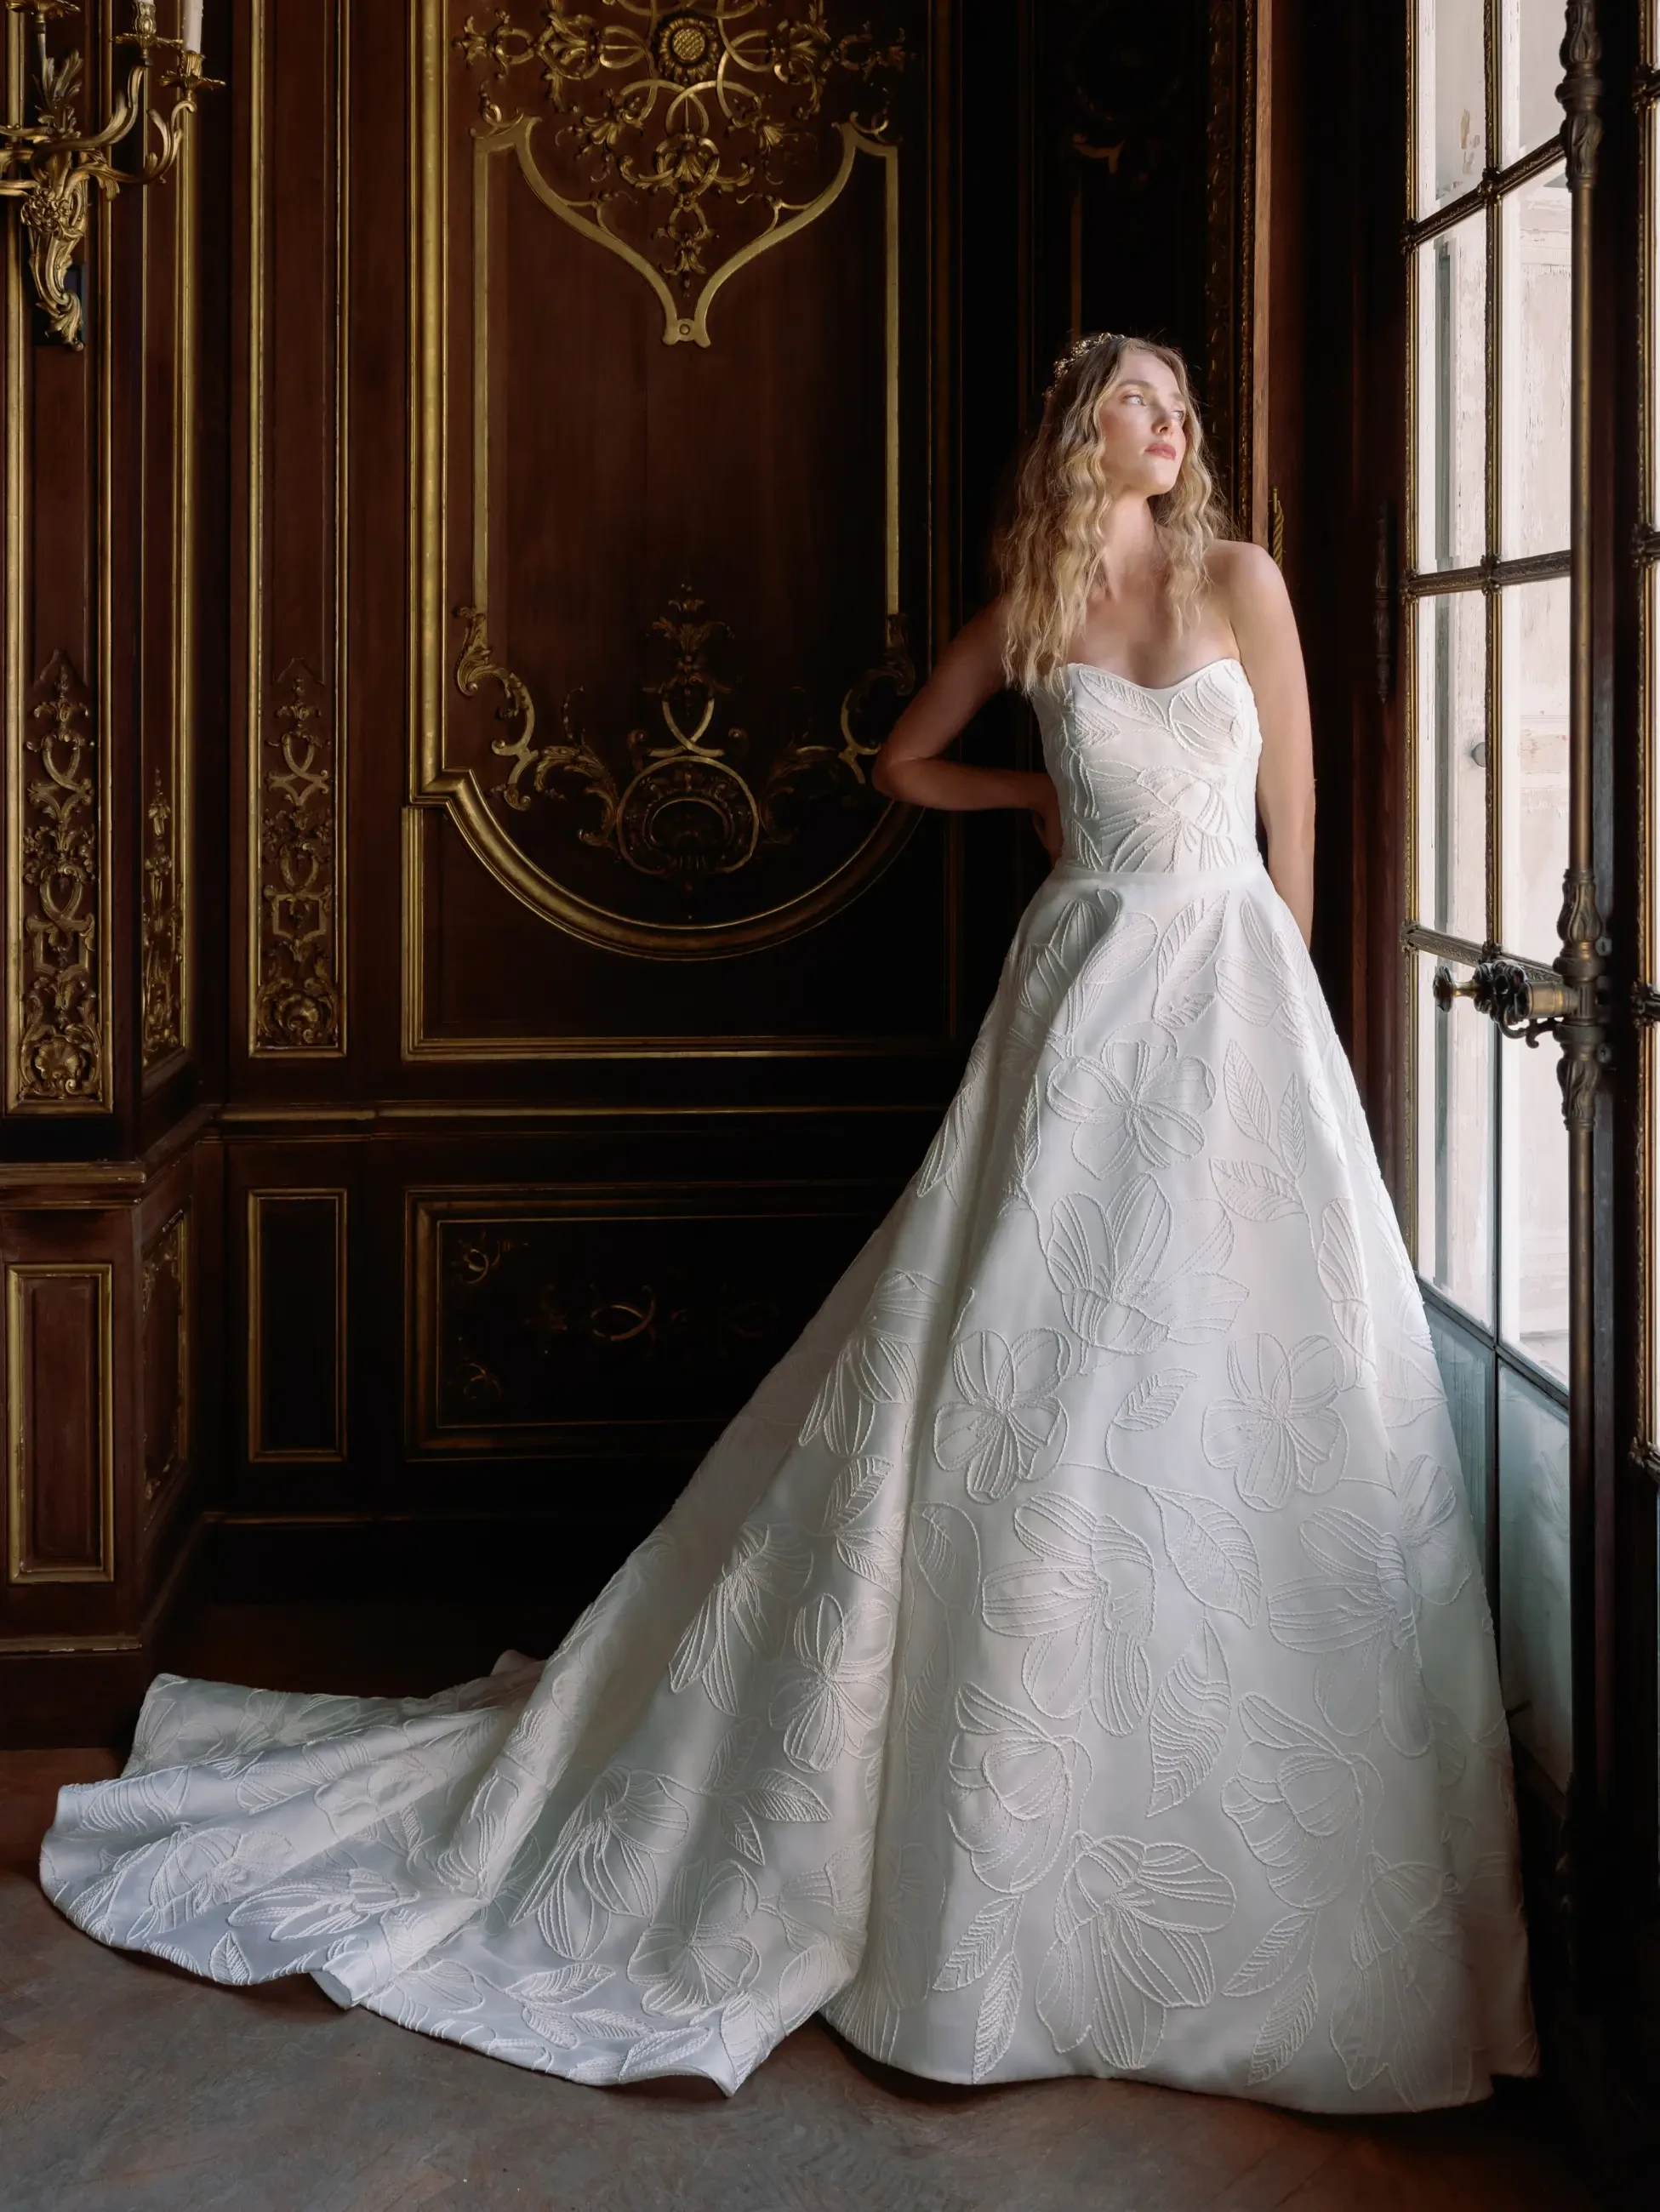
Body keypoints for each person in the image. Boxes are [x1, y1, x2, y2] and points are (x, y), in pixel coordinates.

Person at [40, 331, 1536, 2112]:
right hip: (1081, 995)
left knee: (1232, 1364)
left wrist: (1283, 999)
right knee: (1038, 1366)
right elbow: (902, 763)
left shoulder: (1243, 580)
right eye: (1140, 398)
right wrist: (1035, 794)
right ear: (1079, 427)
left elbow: (1297, 816)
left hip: (1229, 993)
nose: (1174, 422)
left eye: (1182, 403)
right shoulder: (1032, 609)